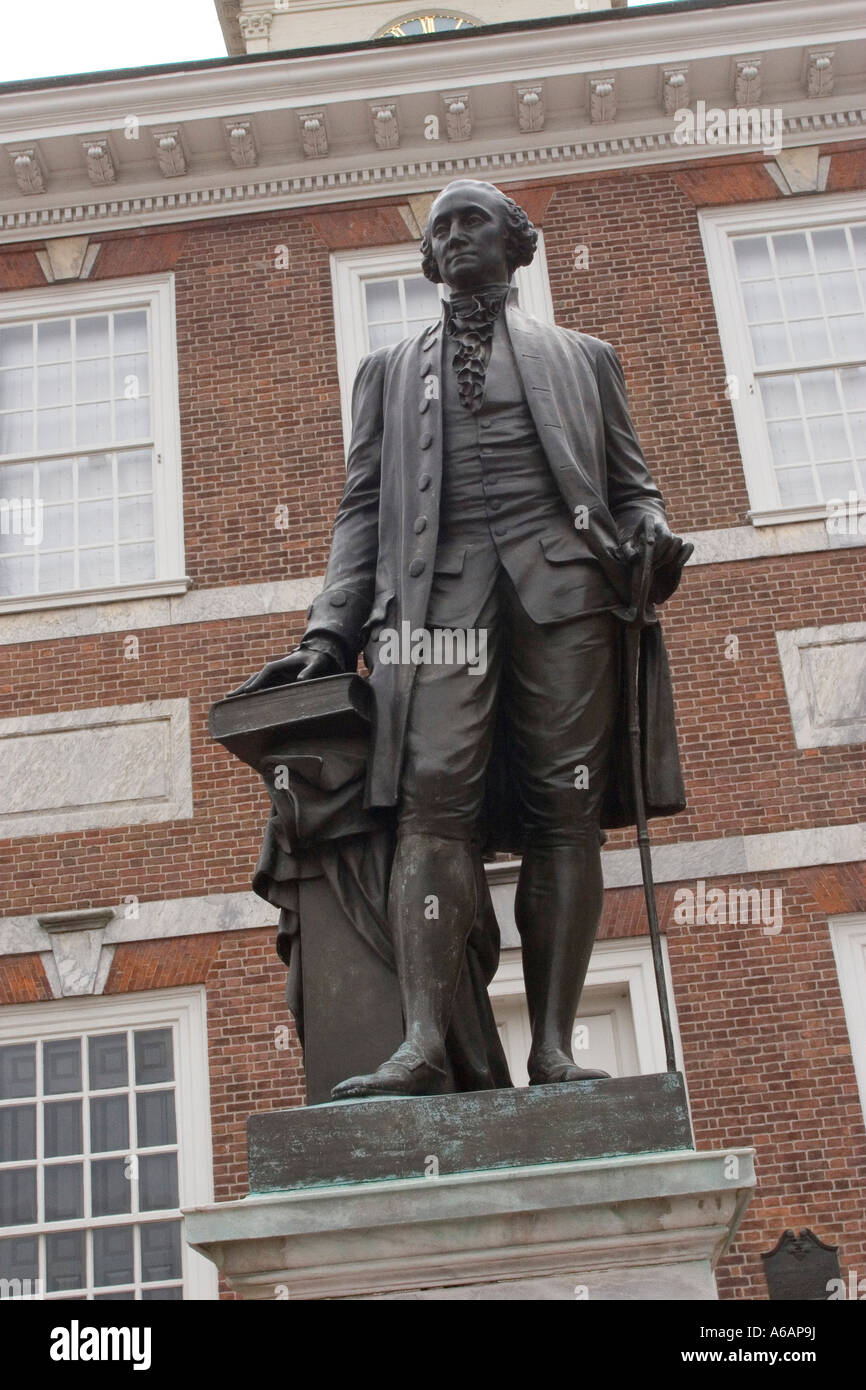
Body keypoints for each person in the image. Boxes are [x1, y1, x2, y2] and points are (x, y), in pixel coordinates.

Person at [234, 179, 688, 1098]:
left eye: (473, 219)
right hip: (434, 610)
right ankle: (424, 1044)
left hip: (566, 601)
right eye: (440, 228)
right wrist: (331, 631)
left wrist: (651, 536)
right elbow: (360, 509)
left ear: (517, 245)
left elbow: (632, 490)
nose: (454, 235)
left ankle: (554, 1048)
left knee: (566, 814)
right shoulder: (390, 371)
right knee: (430, 806)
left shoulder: (584, 359)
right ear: (430, 259)